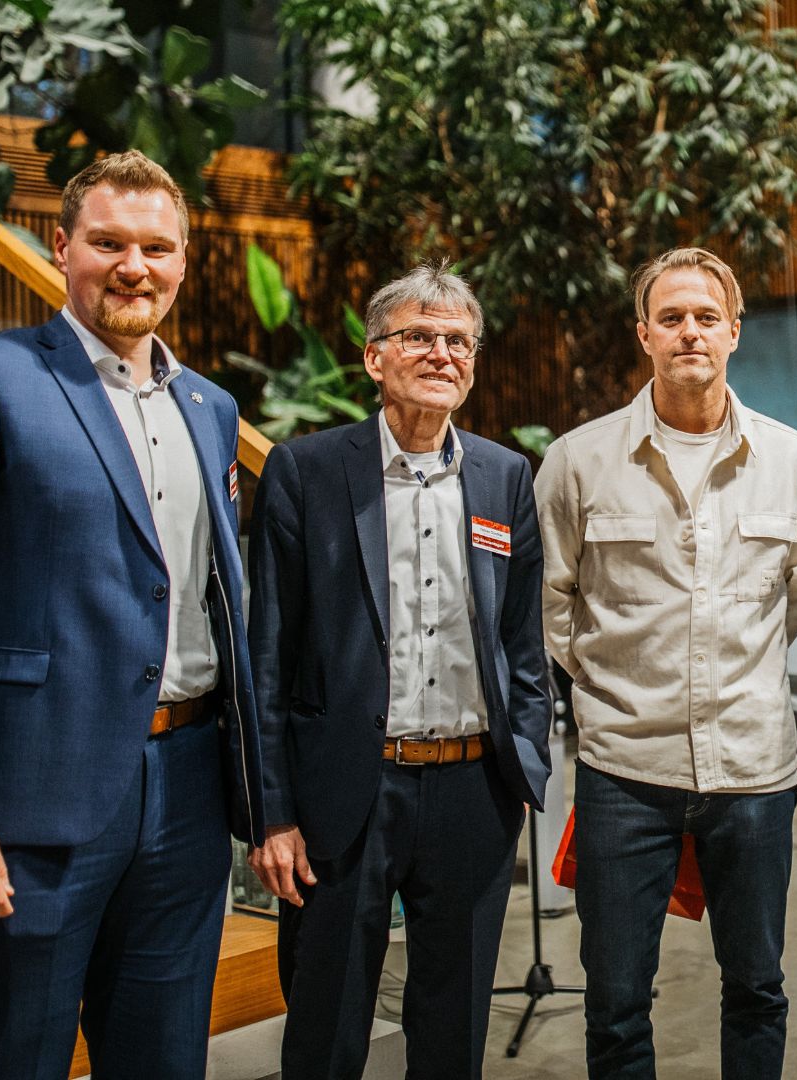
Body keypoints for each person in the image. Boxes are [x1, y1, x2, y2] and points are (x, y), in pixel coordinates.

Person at [0, 150, 264, 1079]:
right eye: (108, 243)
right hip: (34, 796)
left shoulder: (211, 407)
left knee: (164, 1058)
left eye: (156, 248)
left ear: (183, 262)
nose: (134, 266)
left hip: (187, 789)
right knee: (14, 1055)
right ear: (61, 248)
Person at [245, 262, 550, 1079]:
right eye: (419, 336)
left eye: (459, 341)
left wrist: (525, 759)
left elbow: (523, 642)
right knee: (328, 1025)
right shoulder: (307, 472)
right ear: (374, 356)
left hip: (473, 792)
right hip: (347, 791)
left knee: (453, 1033)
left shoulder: (503, 475)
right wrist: (273, 812)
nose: (442, 354)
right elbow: (268, 655)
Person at [534, 246, 797, 1079]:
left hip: (753, 772)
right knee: (616, 1000)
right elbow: (554, 602)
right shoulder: (579, 460)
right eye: (671, 317)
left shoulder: (793, 461)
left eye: (706, 316)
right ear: (645, 335)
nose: (689, 331)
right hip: (626, 771)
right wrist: (616, 688)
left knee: (758, 986)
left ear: (733, 332)